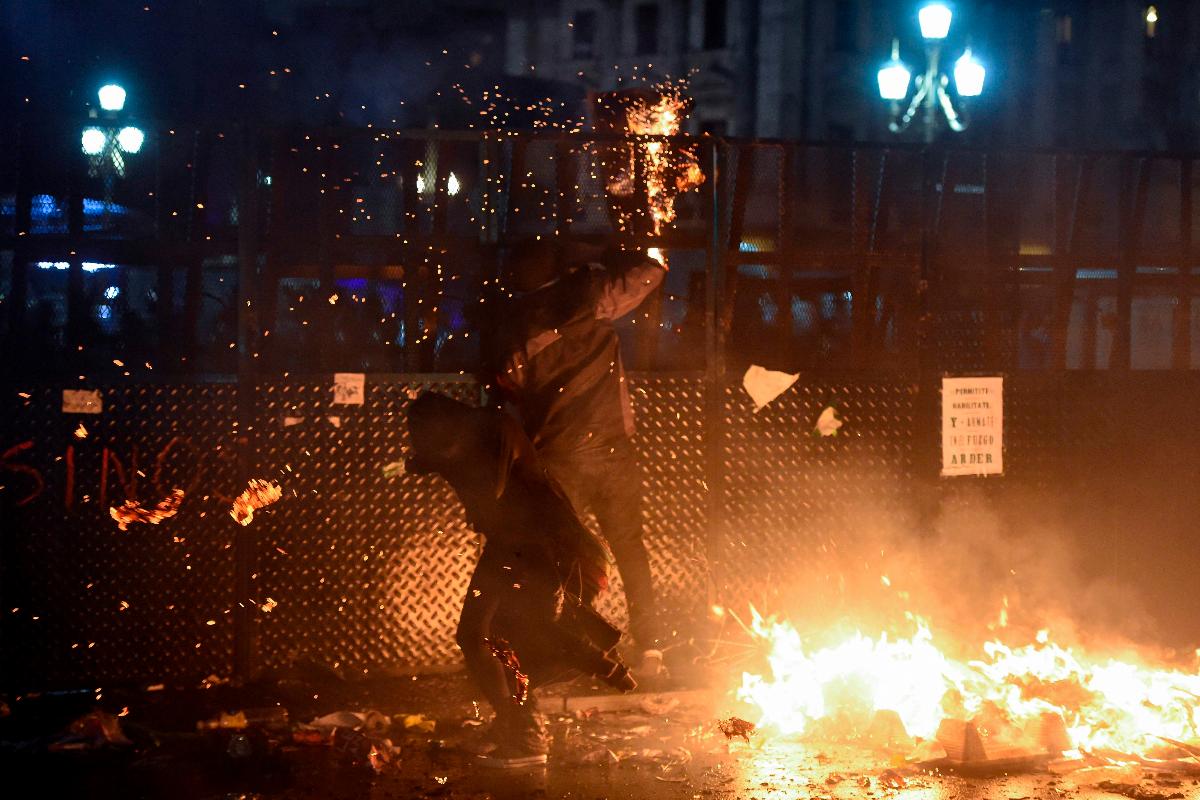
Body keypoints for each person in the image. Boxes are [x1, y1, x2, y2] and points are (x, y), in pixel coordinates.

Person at [405, 391, 636, 768]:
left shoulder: (496, 428)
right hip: (509, 548)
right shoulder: (450, 447)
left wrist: (437, 462)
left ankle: (527, 736)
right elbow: (425, 462)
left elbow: (489, 491)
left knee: (514, 641)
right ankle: (514, 725)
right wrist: (415, 463)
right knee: (475, 636)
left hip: (551, 548)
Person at [488, 239, 667, 674]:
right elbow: (650, 273)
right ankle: (651, 647)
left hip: (559, 454)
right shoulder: (590, 298)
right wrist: (622, 252)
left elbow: (508, 383)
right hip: (610, 449)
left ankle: (566, 647)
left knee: (562, 556)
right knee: (628, 546)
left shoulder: (514, 323)